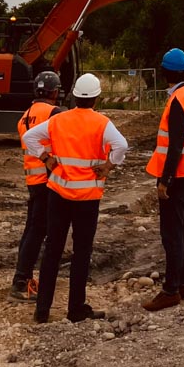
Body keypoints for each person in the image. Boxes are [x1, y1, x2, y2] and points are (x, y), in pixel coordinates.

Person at [22, 72, 127, 323]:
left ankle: (42, 310)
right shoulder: (102, 123)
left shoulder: (59, 119)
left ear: (74, 96)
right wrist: (108, 165)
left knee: (52, 251)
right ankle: (76, 309)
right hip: (87, 198)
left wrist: (46, 158)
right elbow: (121, 145)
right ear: (97, 98)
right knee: (81, 252)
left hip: (58, 194)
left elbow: (29, 138)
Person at [141, 47, 184, 312]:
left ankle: (170, 290)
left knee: (172, 233)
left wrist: (164, 179)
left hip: (178, 174)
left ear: (166, 71)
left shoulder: (178, 99)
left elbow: (176, 144)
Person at [9, 70, 64, 301]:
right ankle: (21, 282)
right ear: (55, 91)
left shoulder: (25, 116)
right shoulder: (54, 113)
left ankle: (23, 276)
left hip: (33, 179)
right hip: (47, 179)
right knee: (38, 231)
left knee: (32, 229)